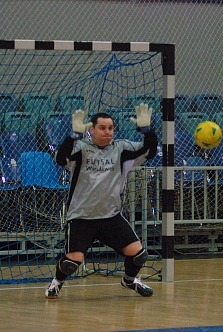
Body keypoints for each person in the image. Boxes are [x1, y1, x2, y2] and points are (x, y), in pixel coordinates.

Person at [45, 103, 158, 299]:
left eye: (111, 128)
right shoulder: (81, 148)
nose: (107, 132)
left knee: (139, 254)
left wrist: (147, 131)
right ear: (91, 129)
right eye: (102, 128)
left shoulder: (121, 148)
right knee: (72, 263)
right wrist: (72, 136)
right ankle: (56, 283)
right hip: (81, 217)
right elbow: (61, 159)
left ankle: (129, 280)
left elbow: (150, 151)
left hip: (110, 216)